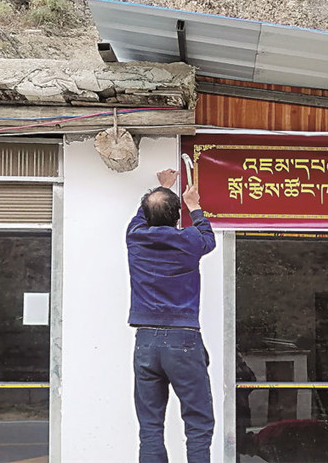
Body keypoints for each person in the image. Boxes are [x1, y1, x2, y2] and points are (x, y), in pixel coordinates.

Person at [127, 169, 216, 463]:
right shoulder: (189, 240)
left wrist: (163, 188)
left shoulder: (135, 238)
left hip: (146, 340)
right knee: (198, 423)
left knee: (150, 427)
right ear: (177, 217)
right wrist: (194, 206)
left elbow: (142, 215)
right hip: (183, 339)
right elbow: (208, 239)